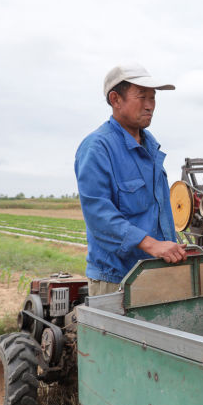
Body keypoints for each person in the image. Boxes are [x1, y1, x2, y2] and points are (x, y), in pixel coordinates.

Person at [75, 63, 187, 295]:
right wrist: (152, 245)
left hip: (155, 272)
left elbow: (157, 211)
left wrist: (171, 246)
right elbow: (99, 215)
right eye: (142, 97)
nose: (150, 105)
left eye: (153, 98)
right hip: (117, 280)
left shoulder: (150, 147)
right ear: (116, 99)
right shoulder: (98, 148)